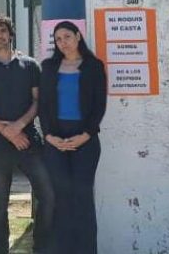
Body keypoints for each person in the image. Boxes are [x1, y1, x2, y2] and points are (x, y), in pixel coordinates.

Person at [0, 14, 55, 254]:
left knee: (48, 195)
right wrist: (7, 131)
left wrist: (19, 125)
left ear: (10, 34)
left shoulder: (30, 65)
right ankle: (0, 250)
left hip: (28, 139)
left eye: (3, 31)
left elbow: (37, 101)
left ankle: (40, 246)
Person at [39, 21, 107, 254]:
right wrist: (49, 136)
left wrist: (85, 135)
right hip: (55, 141)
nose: (63, 42)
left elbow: (99, 105)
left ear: (78, 36)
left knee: (82, 198)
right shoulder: (48, 67)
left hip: (85, 140)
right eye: (58, 39)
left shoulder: (94, 66)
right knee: (61, 199)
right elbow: (43, 106)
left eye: (67, 36)